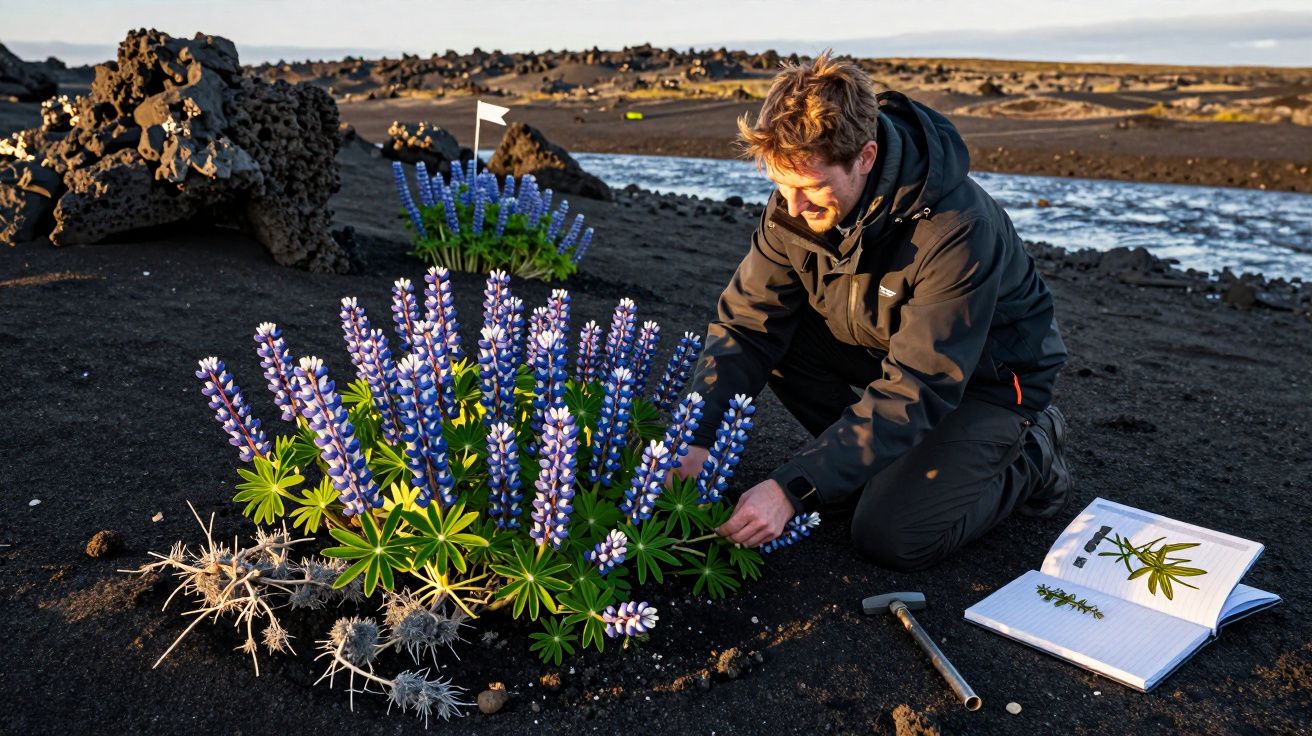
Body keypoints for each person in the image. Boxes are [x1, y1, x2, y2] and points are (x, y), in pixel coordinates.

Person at [669, 51, 1071, 572]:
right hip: (880, 342)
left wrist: (794, 488)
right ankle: (865, 469)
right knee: (776, 340)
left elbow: (921, 384)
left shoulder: (955, 229)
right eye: (779, 186)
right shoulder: (795, 204)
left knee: (890, 534)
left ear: (865, 156)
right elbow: (747, 327)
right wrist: (695, 435)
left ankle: (1035, 452)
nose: (792, 209)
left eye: (811, 188)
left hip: (986, 380)